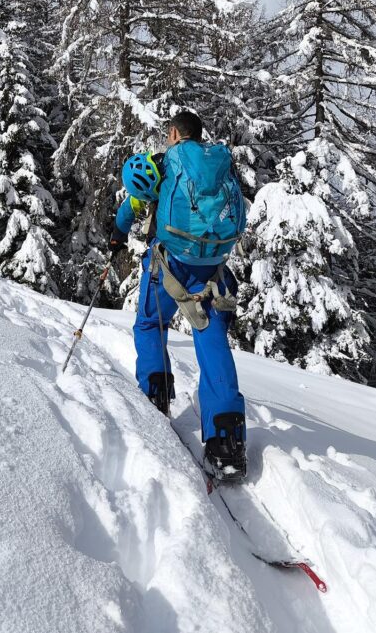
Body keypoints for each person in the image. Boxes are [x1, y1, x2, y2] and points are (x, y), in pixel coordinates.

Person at [109, 110, 250, 481]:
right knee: (211, 340)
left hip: (169, 264)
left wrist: (118, 232)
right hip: (214, 269)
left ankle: (156, 393)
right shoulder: (220, 165)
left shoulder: (163, 164)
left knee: (150, 323)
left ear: (173, 133)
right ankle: (226, 441)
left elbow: (133, 205)